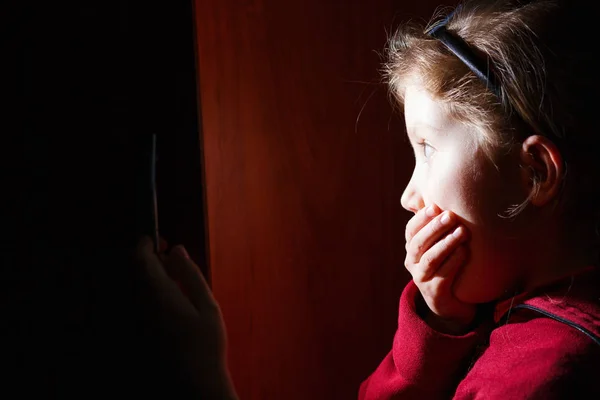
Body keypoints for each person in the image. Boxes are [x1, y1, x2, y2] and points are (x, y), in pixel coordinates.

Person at [136, 0, 600, 398]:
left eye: (427, 150)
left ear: (535, 173)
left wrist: (205, 381)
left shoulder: (534, 377)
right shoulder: (535, 325)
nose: (407, 195)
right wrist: (443, 327)